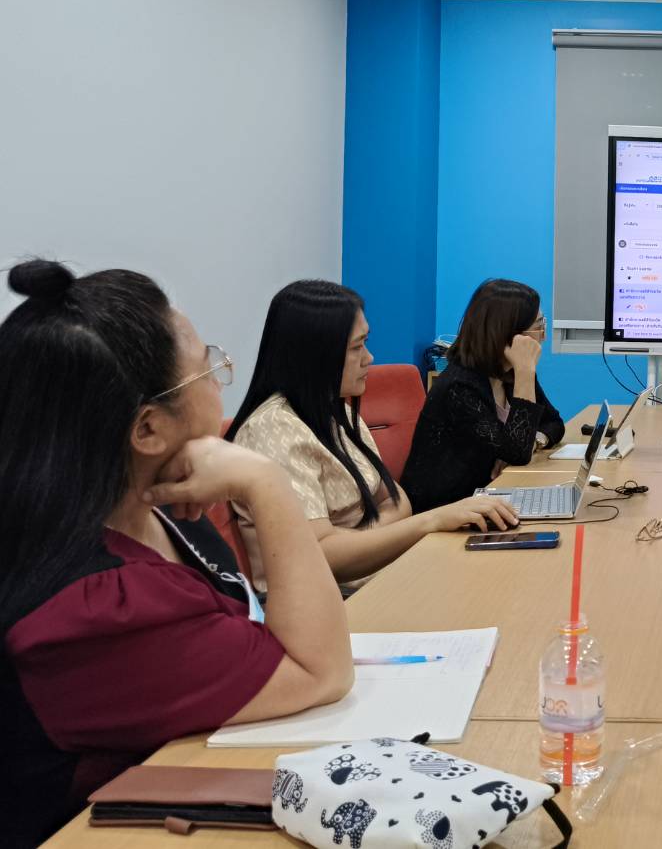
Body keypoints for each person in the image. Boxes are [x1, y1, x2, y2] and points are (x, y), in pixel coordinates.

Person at [0, 261, 352, 846]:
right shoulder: (90, 609)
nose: (220, 383)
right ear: (146, 430)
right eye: (208, 369)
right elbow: (321, 671)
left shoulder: (145, 507)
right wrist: (266, 483)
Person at [228, 281, 519, 593]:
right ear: (315, 354)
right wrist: (431, 520)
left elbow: (398, 500)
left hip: (382, 571)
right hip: (334, 597)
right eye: (357, 347)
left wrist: (352, 538)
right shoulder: (274, 428)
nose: (369, 357)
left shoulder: (335, 411)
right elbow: (320, 556)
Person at [401, 279, 565, 510]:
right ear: (509, 333)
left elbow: (554, 423)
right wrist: (526, 372)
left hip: (489, 495)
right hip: (447, 508)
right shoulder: (460, 387)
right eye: (539, 326)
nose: (543, 337)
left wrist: (535, 440)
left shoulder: (510, 374)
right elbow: (518, 453)